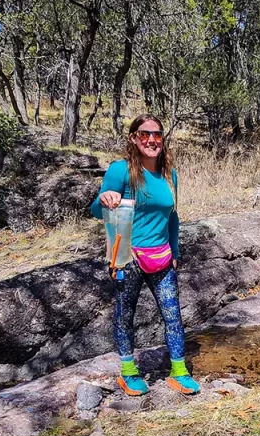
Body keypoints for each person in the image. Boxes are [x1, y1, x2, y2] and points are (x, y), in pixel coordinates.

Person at [90, 114, 199, 396]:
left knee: (173, 315)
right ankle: (128, 373)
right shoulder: (120, 171)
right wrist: (104, 199)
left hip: (162, 256)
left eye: (157, 134)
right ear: (133, 138)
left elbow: (173, 217)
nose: (151, 140)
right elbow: (96, 210)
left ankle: (179, 372)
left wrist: (174, 251)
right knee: (126, 315)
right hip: (128, 256)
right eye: (144, 134)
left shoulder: (169, 175)